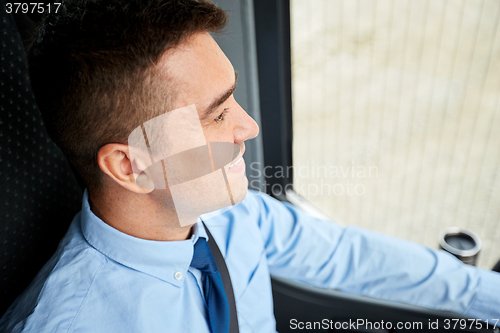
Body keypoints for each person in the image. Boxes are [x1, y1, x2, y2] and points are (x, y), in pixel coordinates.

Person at [1, 0, 499, 332]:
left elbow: (348, 255)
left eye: (233, 98)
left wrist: (488, 297)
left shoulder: (230, 217)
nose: (249, 127)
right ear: (131, 167)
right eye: (217, 115)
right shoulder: (71, 322)